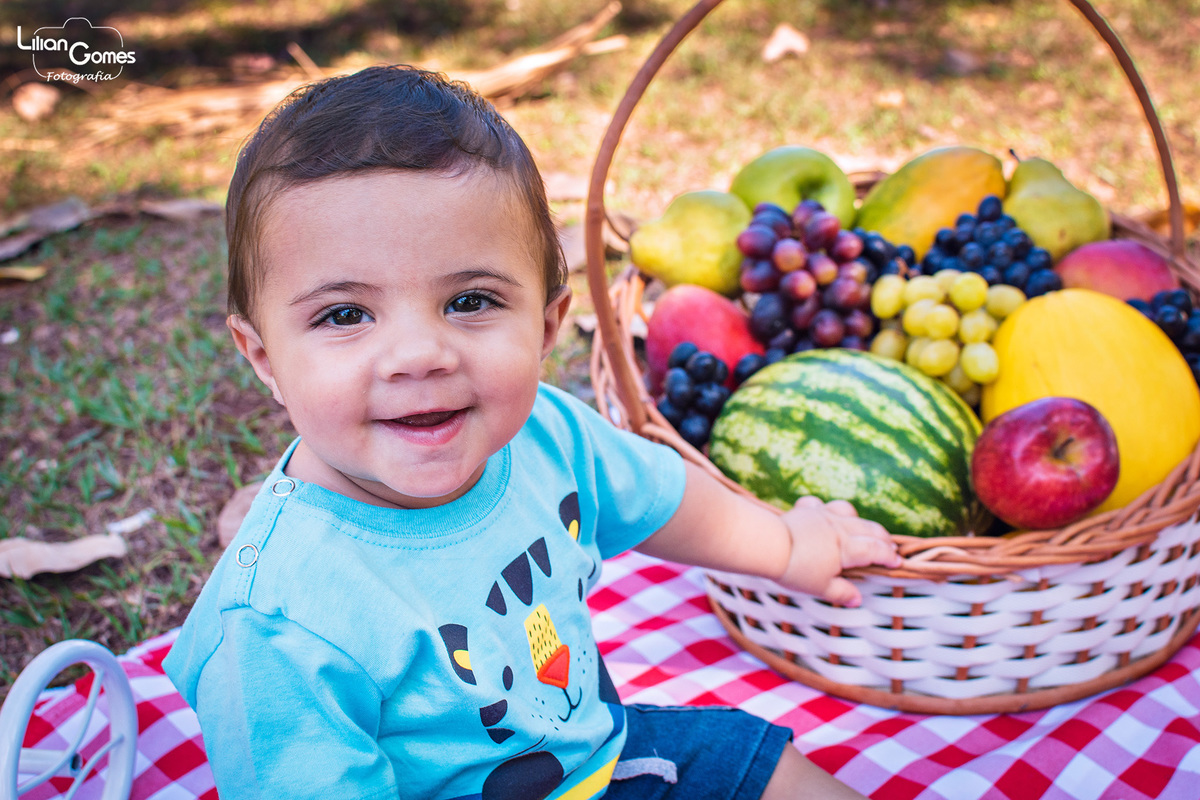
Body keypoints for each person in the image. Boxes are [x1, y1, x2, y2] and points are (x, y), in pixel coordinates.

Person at [164, 64, 901, 800]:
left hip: (601, 762)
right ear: (264, 356)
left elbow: (665, 498)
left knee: (761, 765)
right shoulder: (277, 624)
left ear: (547, 325)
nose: (420, 355)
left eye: (470, 300)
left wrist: (790, 547)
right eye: (346, 314)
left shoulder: (545, 432)